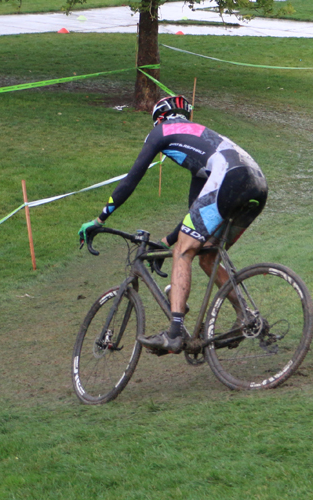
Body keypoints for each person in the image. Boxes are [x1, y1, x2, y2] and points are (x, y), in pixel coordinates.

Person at [78, 95, 268, 353]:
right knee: (207, 257)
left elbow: (130, 180)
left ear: (159, 117)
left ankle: (174, 334)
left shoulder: (160, 132)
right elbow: (196, 213)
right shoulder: (200, 143)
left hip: (228, 176)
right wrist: (165, 242)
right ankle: (245, 316)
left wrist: (99, 219)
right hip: (256, 183)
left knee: (183, 251)